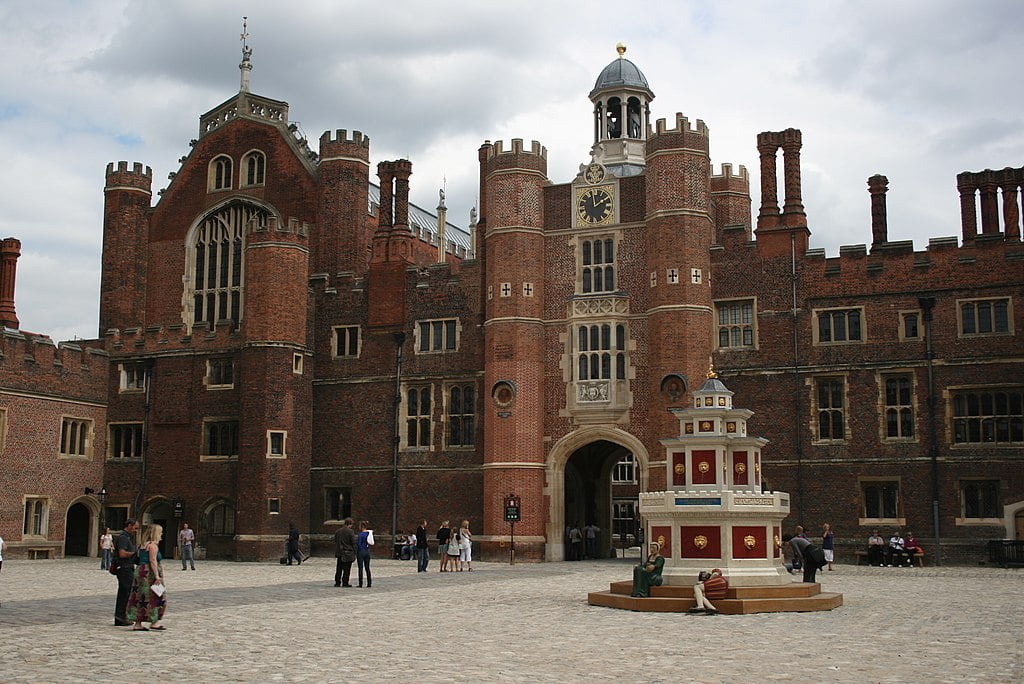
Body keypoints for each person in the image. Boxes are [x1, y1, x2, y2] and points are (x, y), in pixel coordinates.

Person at [127, 523, 166, 631]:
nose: (162, 534)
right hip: (149, 573)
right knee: (156, 595)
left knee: (140, 596)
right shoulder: (153, 545)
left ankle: (139, 623)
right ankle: (154, 620)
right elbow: (152, 560)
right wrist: (157, 576)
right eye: (160, 532)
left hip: (140, 571)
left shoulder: (143, 545)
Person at [113, 518, 140, 626]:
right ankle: (121, 617)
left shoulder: (127, 537)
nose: (136, 530)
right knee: (126, 593)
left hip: (127, 567)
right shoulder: (123, 538)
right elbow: (122, 554)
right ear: (129, 525)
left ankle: (120, 617)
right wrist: (135, 554)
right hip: (124, 568)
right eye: (135, 528)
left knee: (124, 592)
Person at [334, 517, 356, 587]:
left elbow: (335, 540)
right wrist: (355, 552)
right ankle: (345, 582)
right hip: (347, 552)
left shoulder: (338, 531)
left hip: (339, 552)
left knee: (339, 568)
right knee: (347, 569)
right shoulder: (350, 532)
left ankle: (337, 582)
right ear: (350, 524)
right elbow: (353, 542)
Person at [356, 521, 374, 588]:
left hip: (361, 551)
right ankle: (369, 583)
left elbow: (359, 544)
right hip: (367, 551)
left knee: (360, 568)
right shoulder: (369, 533)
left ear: (361, 526)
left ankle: (360, 583)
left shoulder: (360, 534)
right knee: (367, 568)